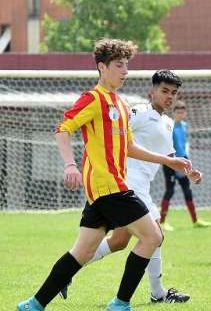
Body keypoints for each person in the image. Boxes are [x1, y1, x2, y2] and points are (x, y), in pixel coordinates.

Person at [17, 39, 192, 311]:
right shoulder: (93, 98)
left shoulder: (121, 105)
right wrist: (70, 164)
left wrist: (169, 162)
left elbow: (130, 147)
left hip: (104, 190)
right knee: (153, 236)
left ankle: (33, 304)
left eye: (127, 65)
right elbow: (63, 129)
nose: (125, 71)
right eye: (119, 65)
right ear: (102, 67)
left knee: (83, 252)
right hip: (109, 186)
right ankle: (120, 304)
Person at [59, 70, 201, 303]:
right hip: (128, 181)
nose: (169, 96)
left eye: (173, 93)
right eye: (164, 91)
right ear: (152, 91)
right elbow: (113, 134)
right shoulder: (138, 112)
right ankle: (158, 294)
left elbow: (169, 156)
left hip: (142, 184)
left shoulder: (167, 123)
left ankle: (65, 273)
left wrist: (189, 172)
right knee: (155, 235)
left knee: (119, 241)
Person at [159, 101, 211, 230]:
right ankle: (162, 222)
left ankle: (195, 221)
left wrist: (186, 157)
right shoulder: (168, 126)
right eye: (178, 112)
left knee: (187, 191)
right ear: (173, 113)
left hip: (183, 162)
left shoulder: (185, 126)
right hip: (170, 162)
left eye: (182, 112)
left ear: (185, 113)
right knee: (169, 191)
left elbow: (184, 143)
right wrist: (171, 160)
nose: (180, 115)